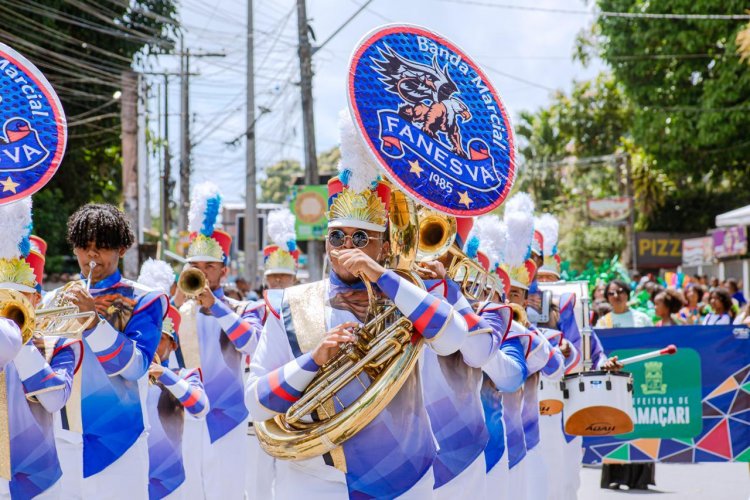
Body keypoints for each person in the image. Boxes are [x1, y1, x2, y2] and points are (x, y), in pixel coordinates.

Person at [245, 138, 469, 498]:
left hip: (403, 479)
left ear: (383, 245)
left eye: (361, 237)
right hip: (311, 482)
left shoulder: (408, 296)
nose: (347, 246)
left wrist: (382, 277)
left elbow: (454, 338)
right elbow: (255, 402)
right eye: (337, 236)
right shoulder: (286, 303)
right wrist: (313, 360)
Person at [51, 203, 167, 499]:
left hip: (120, 444)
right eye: (83, 247)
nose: (91, 256)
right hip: (61, 442)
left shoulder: (146, 299)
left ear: (122, 249)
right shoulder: (52, 300)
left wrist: (93, 321)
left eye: (102, 247)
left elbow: (136, 366)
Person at [175, 182, 264, 500]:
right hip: (183, 415)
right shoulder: (177, 310)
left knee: (225, 491)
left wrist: (216, 306)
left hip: (227, 415)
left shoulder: (245, 308)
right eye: (195, 267)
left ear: (222, 271)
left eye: (209, 267)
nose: (202, 272)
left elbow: (252, 344)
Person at [0, 198, 84, 499]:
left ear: (37, 300)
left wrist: (20, 341)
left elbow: (54, 400)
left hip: (40, 482)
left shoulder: (59, 344)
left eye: (18, 298)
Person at [138, 259, 210, 499]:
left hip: (171, 485)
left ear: (172, 344)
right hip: (131, 480)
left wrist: (164, 374)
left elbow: (200, 407)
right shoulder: (127, 374)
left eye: (160, 338)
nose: (152, 344)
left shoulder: (184, 375)